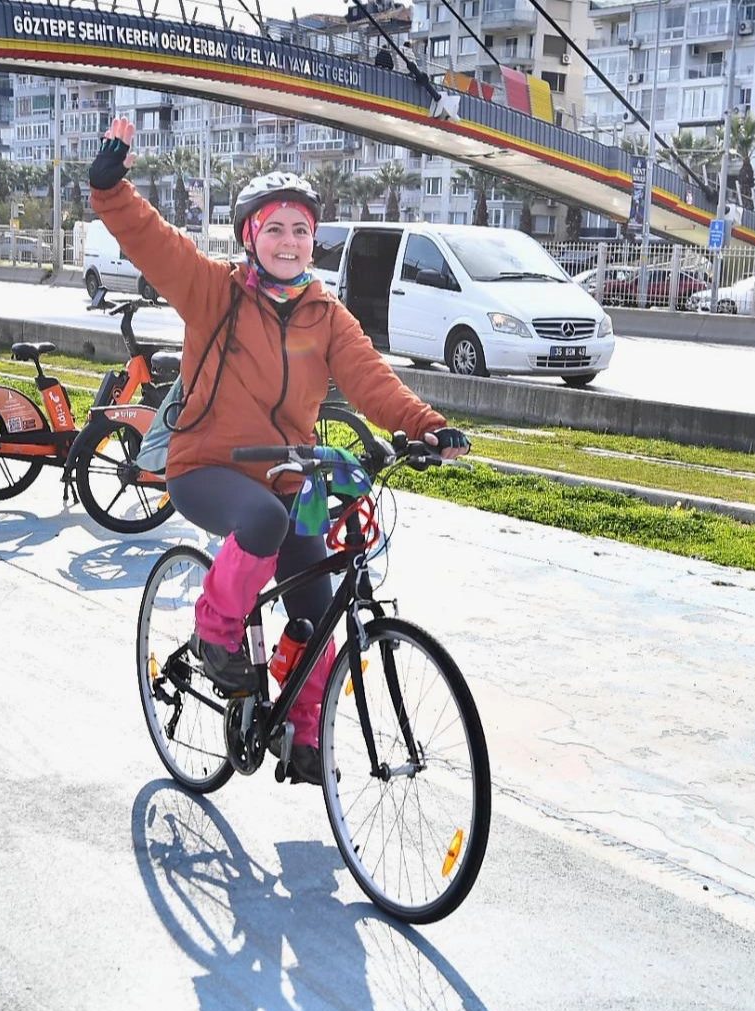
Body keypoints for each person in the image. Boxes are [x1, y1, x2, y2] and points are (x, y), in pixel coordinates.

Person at [88, 117, 470, 784]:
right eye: (274, 228)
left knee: (320, 605)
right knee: (261, 520)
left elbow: (370, 380)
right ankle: (214, 633)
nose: (288, 240)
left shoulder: (326, 313)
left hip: (291, 475)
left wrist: (426, 425)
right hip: (206, 466)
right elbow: (151, 241)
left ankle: (301, 734)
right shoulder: (213, 293)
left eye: (299, 228)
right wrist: (109, 184)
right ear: (249, 236)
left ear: (312, 238)